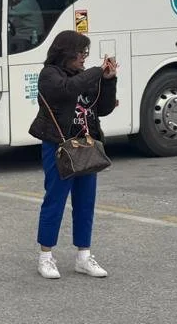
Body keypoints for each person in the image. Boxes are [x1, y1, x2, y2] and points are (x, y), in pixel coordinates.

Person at [27, 32, 118, 279]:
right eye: (81, 53)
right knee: (55, 199)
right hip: (59, 146)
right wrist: (97, 72)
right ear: (66, 52)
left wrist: (109, 80)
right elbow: (67, 90)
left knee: (85, 201)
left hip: (86, 145)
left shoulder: (84, 76)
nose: (83, 58)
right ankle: (46, 257)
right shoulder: (50, 75)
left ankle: (84, 257)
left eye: (86, 53)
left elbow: (105, 108)